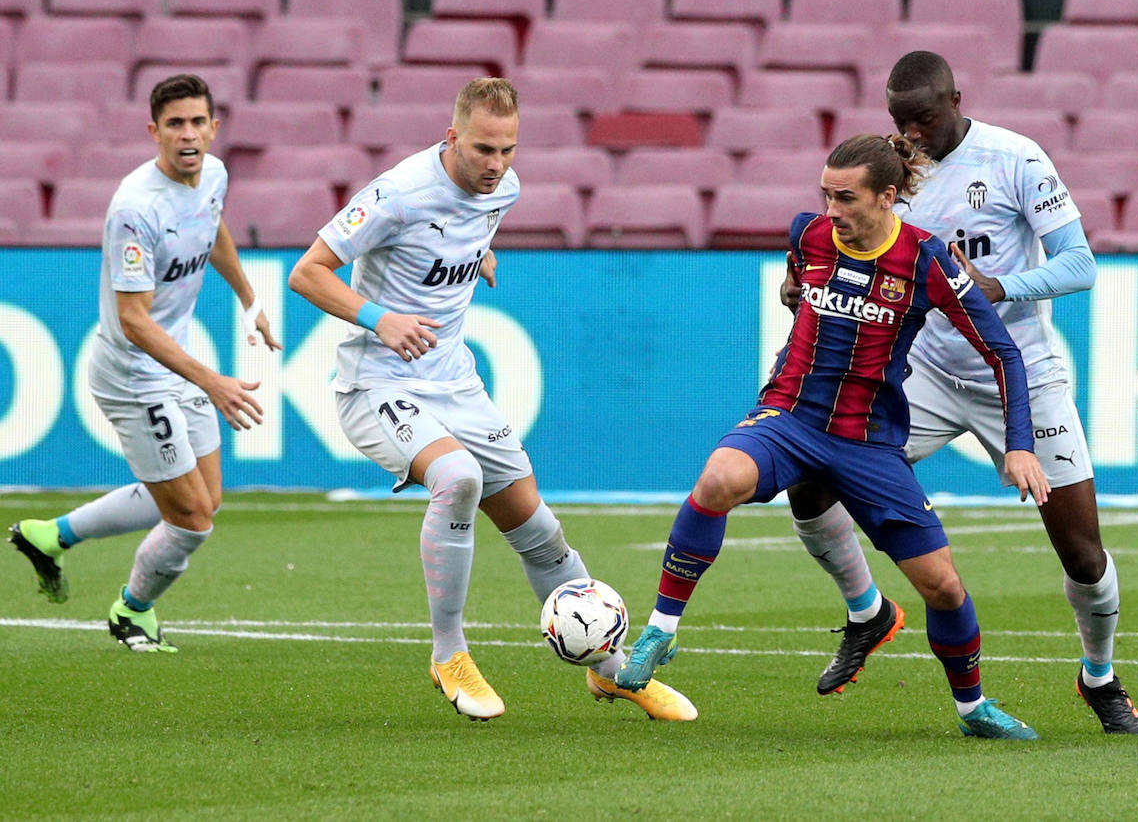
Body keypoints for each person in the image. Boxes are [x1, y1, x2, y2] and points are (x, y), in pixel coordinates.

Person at [615, 133, 1050, 740]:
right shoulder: (809, 234)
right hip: (790, 416)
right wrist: (793, 294)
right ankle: (661, 629)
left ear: (887, 197)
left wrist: (1020, 444)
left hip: (868, 440)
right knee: (718, 480)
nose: (831, 211)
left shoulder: (928, 261)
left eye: (845, 198)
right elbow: (798, 285)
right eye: (825, 195)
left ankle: (973, 709)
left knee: (943, 587)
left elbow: (1003, 353)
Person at [287, 77, 696, 723]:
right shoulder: (397, 193)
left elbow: (457, 231)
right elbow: (306, 271)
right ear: (451, 137)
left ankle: (612, 671)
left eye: (507, 149)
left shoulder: (502, 189)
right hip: (378, 382)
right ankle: (448, 652)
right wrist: (379, 317)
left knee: (536, 526)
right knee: (457, 477)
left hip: (454, 380)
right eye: (482, 149)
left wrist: (477, 254)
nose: (496, 164)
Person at [784, 51, 1138, 735]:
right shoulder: (891, 177)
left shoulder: (1015, 158)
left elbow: (1079, 264)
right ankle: (866, 611)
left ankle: (1099, 676)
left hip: (1019, 375)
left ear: (955, 98)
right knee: (808, 479)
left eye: (922, 118)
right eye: (900, 121)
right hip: (920, 373)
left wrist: (999, 287)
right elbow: (846, 244)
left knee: (1082, 554)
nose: (912, 133)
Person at [9, 74, 281, 652]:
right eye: (175, 124)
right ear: (154, 131)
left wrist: (250, 297)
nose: (188, 135)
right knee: (190, 520)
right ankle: (132, 612)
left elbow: (214, 228)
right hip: (134, 375)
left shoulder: (214, 174)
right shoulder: (134, 209)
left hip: (176, 361)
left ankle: (49, 536)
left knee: (206, 500)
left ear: (214, 126)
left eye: (198, 122)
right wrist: (213, 383)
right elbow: (134, 319)